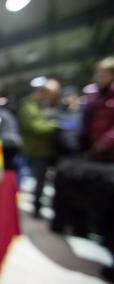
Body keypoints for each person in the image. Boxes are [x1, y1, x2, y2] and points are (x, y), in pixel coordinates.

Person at [81, 56, 114, 282]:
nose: (98, 77)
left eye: (102, 73)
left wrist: (103, 144)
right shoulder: (97, 96)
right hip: (99, 156)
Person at [18, 79, 61, 218]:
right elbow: (36, 127)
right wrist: (54, 126)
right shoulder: (28, 106)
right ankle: (36, 208)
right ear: (40, 92)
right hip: (36, 151)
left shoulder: (40, 105)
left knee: (44, 181)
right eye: (46, 93)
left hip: (47, 150)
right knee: (39, 182)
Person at [0, 97, 23, 170]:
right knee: (11, 165)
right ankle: (11, 180)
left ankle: (3, 180)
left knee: (0, 165)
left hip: (1, 142)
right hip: (16, 142)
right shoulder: (12, 115)